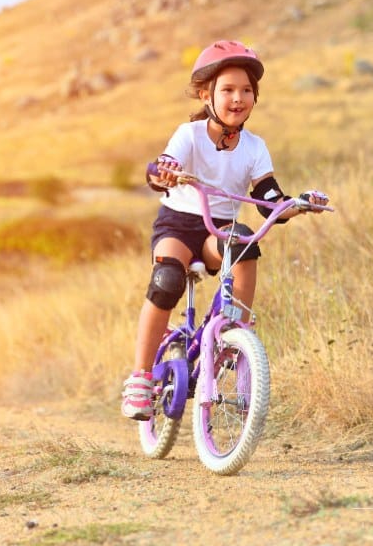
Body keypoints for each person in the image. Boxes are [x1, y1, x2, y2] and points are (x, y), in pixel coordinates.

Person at [121, 39, 330, 421]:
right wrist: (162, 171)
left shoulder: (254, 146)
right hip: (180, 223)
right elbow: (162, 167)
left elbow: (269, 196)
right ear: (207, 95)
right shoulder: (190, 135)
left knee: (246, 244)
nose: (238, 98)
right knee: (167, 279)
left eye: (246, 90)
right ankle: (141, 377)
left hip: (217, 230)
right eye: (228, 90)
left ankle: (236, 331)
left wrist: (298, 204)